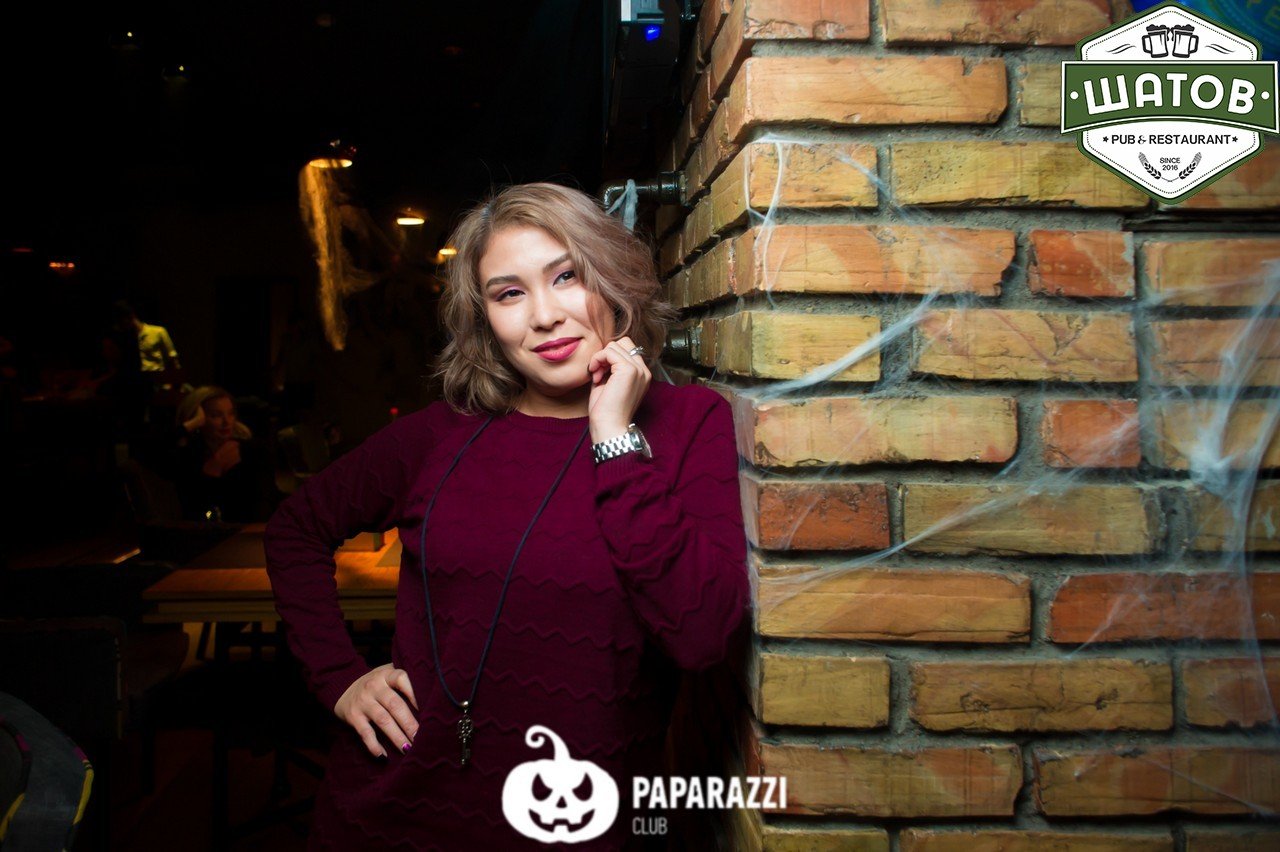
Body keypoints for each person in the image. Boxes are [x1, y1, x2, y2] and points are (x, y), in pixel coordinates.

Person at [264, 182, 750, 849]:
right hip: (391, 817)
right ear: (485, 318)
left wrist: (614, 439)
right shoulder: (440, 435)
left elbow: (701, 637)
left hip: (579, 823)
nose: (544, 316)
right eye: (509, 293)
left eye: (566, 276)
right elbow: (295, 529)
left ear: (612, 278)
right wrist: (339, 677)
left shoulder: (689, 424)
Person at [172, 386, 280, 522]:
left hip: (251, 528)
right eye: (216, 415)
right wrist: (189, 426)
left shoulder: (253, 450)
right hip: (203, 529)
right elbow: (197, 509)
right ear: (199, 419)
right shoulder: (188, 455)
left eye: (230, 413)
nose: (226, 422)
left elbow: (264, 501)